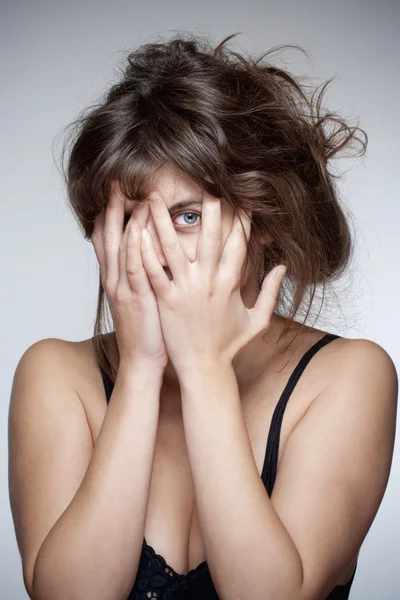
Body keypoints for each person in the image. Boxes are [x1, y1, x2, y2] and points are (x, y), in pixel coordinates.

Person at [8, 32, 398, 600]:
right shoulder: (54, 376)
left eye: (186, 217)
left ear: (261, 218)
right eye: (127, 221)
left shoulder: (349, 377)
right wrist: (141, 370)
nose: (154, 250)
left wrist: (206, 369)